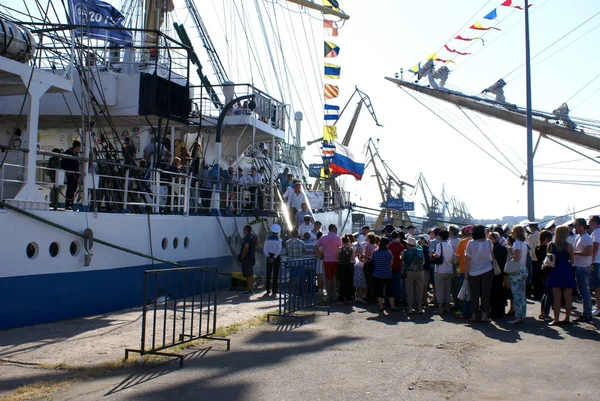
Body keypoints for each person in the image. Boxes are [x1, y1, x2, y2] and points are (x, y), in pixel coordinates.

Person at [546, 225, 576, 326]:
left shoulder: (551, 245)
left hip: (555, 271)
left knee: (556, 297)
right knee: (568, 296)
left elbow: (549, 260)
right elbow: (572, 261)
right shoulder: (569, 246)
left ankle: (556, 319)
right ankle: (567, 317)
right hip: (566, 270)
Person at [507, 225, 529, 324]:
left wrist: (510, 252)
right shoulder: (524, 243)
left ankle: (518, 315)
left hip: (517, 270)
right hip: (523, 268)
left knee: (517, 294)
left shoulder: (516, 243)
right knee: (522, 294)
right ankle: (522, 315)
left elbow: (516, 257)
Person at [572, 218, 593, 323]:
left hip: (582, 267)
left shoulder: (585, 238)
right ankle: (587, 312)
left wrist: (574, 253)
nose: (575, 227)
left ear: (582, 226)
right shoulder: (579, 237)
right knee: (583, 291)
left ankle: (587, 313)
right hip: (580, 266)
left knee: (584, 292)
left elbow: (589, 252)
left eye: (576, 225)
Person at [315, 224, 342, 302]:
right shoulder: (338, 238)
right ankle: (336, 295)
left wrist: (320, 256)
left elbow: (316, 247)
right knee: (337, 279)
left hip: (326, 261)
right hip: (336, 261)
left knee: (328, 279)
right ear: (334, 229)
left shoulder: (323, 237)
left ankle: (329, 295)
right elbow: (340, 248)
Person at [432, 229, 454, 314]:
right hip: (449, 270)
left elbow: (437, 255)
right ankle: (447, 306)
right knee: (447, 290)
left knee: (440, 290)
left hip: (440, 270)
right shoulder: (450, 245)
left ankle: (440, 308)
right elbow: (453, 258)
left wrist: (432, 254)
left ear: (440, 236)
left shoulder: (439, 244)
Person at [371, 237, 396, 313]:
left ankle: (381, 307)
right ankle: (393, 306)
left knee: (379, 291)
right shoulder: (389, 253)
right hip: (387, 274)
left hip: (377, 274)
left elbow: (373, 262)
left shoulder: (375, 252)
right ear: (386, 244)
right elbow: (391, 263)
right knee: (389, 291)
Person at [402, 236, 425, 314]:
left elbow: (403, 262)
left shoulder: (405, 252)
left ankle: (410, 308)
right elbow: (423, 261)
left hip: (409, 272)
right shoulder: (420, 250)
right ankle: (420, 308)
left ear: (408, 244)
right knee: (419, 291)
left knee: (409, 290)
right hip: (420, 272)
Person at [455, 225, 473, 319]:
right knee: (474, 292)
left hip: (463, 269)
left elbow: (457, 259)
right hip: (475, 270)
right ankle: (474, 310)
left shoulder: (462, 242)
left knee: (465, 292)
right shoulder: (477, 242)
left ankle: (465, 311)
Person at [489, 232, 508, 319]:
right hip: (502, 272)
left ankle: (494, 311)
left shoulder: (491, 250)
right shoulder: (504, 249)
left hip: (493, 272)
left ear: (493, 238)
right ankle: (501, 311)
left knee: (493, 292)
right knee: (501, 292)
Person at [536, 230, 554, 320]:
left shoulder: (538, 248)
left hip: (541, 271)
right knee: (549, 293)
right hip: (547, 272)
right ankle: (546, 313)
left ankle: (542, 312)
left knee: (545, 293)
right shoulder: (547, 249)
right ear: (547, 238)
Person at [61, 140, 81, 210]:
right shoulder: (68, 152)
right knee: (70, 188)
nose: (79, 149)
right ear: (77, 146)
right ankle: (67, 204)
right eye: (79, 147)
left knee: (74, 188)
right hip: (70, 173)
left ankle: (71, 203)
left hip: (75, 173)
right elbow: (63, 162)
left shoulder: (76, 154)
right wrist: (66, 170)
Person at [263, 224, 282, 296]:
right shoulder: (279, 240)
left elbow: (265, 249)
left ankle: (267, 289)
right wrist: (274, 257)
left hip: (269, 256)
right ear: (278, 232)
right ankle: (274, 290)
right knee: (275, 274)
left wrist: (268, 257)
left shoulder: (267, 239)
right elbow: (279, 250)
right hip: (276, 257)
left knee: (268, 273)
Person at [526, 221, 543, 299]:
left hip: (533, 258)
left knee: (535, 277)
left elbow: (530, 248)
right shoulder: (540, 234)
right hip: (541, 258)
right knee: (540, 277)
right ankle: (541, 292)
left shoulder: (531, 236)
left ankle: (537, 293)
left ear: (532, 227)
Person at [388, 231, 405, 305]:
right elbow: (402, 257)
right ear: (398, 237)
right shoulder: (401, 246)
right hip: (398, 266)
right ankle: (397, 301)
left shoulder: (388, 245)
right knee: (398, 285)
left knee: (389, 285)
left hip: (389, 267)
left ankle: (388, 301)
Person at [337, 235, 356, 303]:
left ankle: (341, 297)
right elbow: (352, 258)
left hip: (341, 266)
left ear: (342, 241)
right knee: (348, 281)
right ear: (348, 241)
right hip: (348, 265)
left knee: (342, 281)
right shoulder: (351, 249)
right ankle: (348, 297)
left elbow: (337, 257)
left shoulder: (340, 248)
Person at [239, 225, 256, 295]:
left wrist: (242, 256)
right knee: (250, 274)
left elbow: (246, 247)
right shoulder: (252, 237)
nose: (243, 230)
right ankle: (249, 289)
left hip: (247, 259)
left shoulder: (247, 238)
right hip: (251, 257)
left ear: (246, 230)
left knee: (248, 274)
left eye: (243, 229)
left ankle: (250, 290)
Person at [590, 215, 600, 317]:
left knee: (597, 285)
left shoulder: (597, 232)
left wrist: (591, 262)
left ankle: (599, 307)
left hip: (596, 261)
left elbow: (595, 247)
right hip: (598, 260)